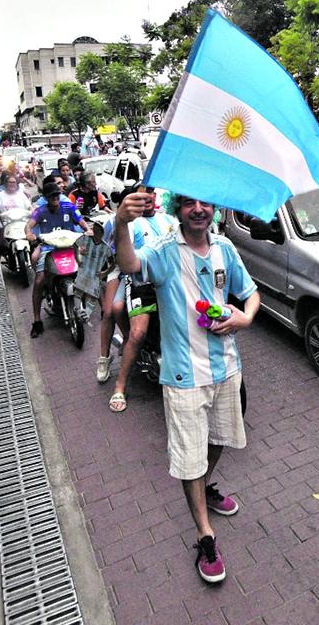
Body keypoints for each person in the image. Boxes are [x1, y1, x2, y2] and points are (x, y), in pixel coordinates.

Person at [113, 190, 260, 585]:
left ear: (214, 208)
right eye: (189, 203)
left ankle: (205, 485)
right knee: (189, 456)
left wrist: (244, 319)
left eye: (206, 203)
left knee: (220, 441)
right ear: (177, 208)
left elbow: (250, 294)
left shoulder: (226, 248)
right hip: (182, 377)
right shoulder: (163, 250)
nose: (198, 209)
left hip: (227, 368)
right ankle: (204, 533)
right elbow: (130, 264)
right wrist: (121, 222)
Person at [108, 186, 176, 412]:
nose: (146, 198)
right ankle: (120, 385)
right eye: (140, 194)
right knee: (137, 334)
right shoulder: (129, 225)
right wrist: (120, 221)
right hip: (141, 283)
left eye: (150, 193)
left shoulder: (170, 220)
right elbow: (124, 259)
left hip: (169, 282)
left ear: (156, 197)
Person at [25, 177, 89, 337]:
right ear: (45, 198)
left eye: (57, 195)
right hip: (48, 247)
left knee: (88, 271)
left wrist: (87, 229)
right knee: (39, 280)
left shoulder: (68, 206)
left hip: (70, 246)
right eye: (51, 196)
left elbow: (81, 221)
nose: (55, 198)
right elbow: (29, 224)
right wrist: (29, 233)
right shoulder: (40, 211)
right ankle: (37, 320)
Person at [0, 173, 32, 283]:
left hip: (22, 224)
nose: (11, 184)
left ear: (17, 184)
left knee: (35, 241)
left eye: (14, 182)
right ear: (5, 184)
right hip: (5, 225)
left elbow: (29, 206)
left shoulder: (21, 195)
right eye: (9, 182)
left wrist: (34, 211)